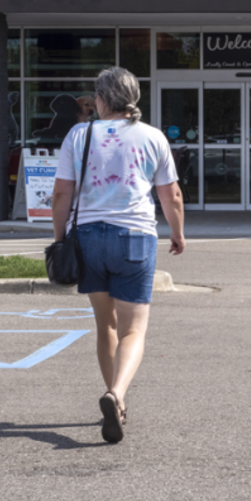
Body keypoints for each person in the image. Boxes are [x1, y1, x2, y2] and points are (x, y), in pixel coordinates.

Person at [52, 66, 184, 443]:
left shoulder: (80, 134)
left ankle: (113, 393)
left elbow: (62, 194)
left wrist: (60, 237)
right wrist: (177, 233)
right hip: (135, 236)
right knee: (133, 328)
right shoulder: (151, 136)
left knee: (106, 325)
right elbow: (171, 195)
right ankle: (117, 395)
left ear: (101, 99)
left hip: (88, 237)